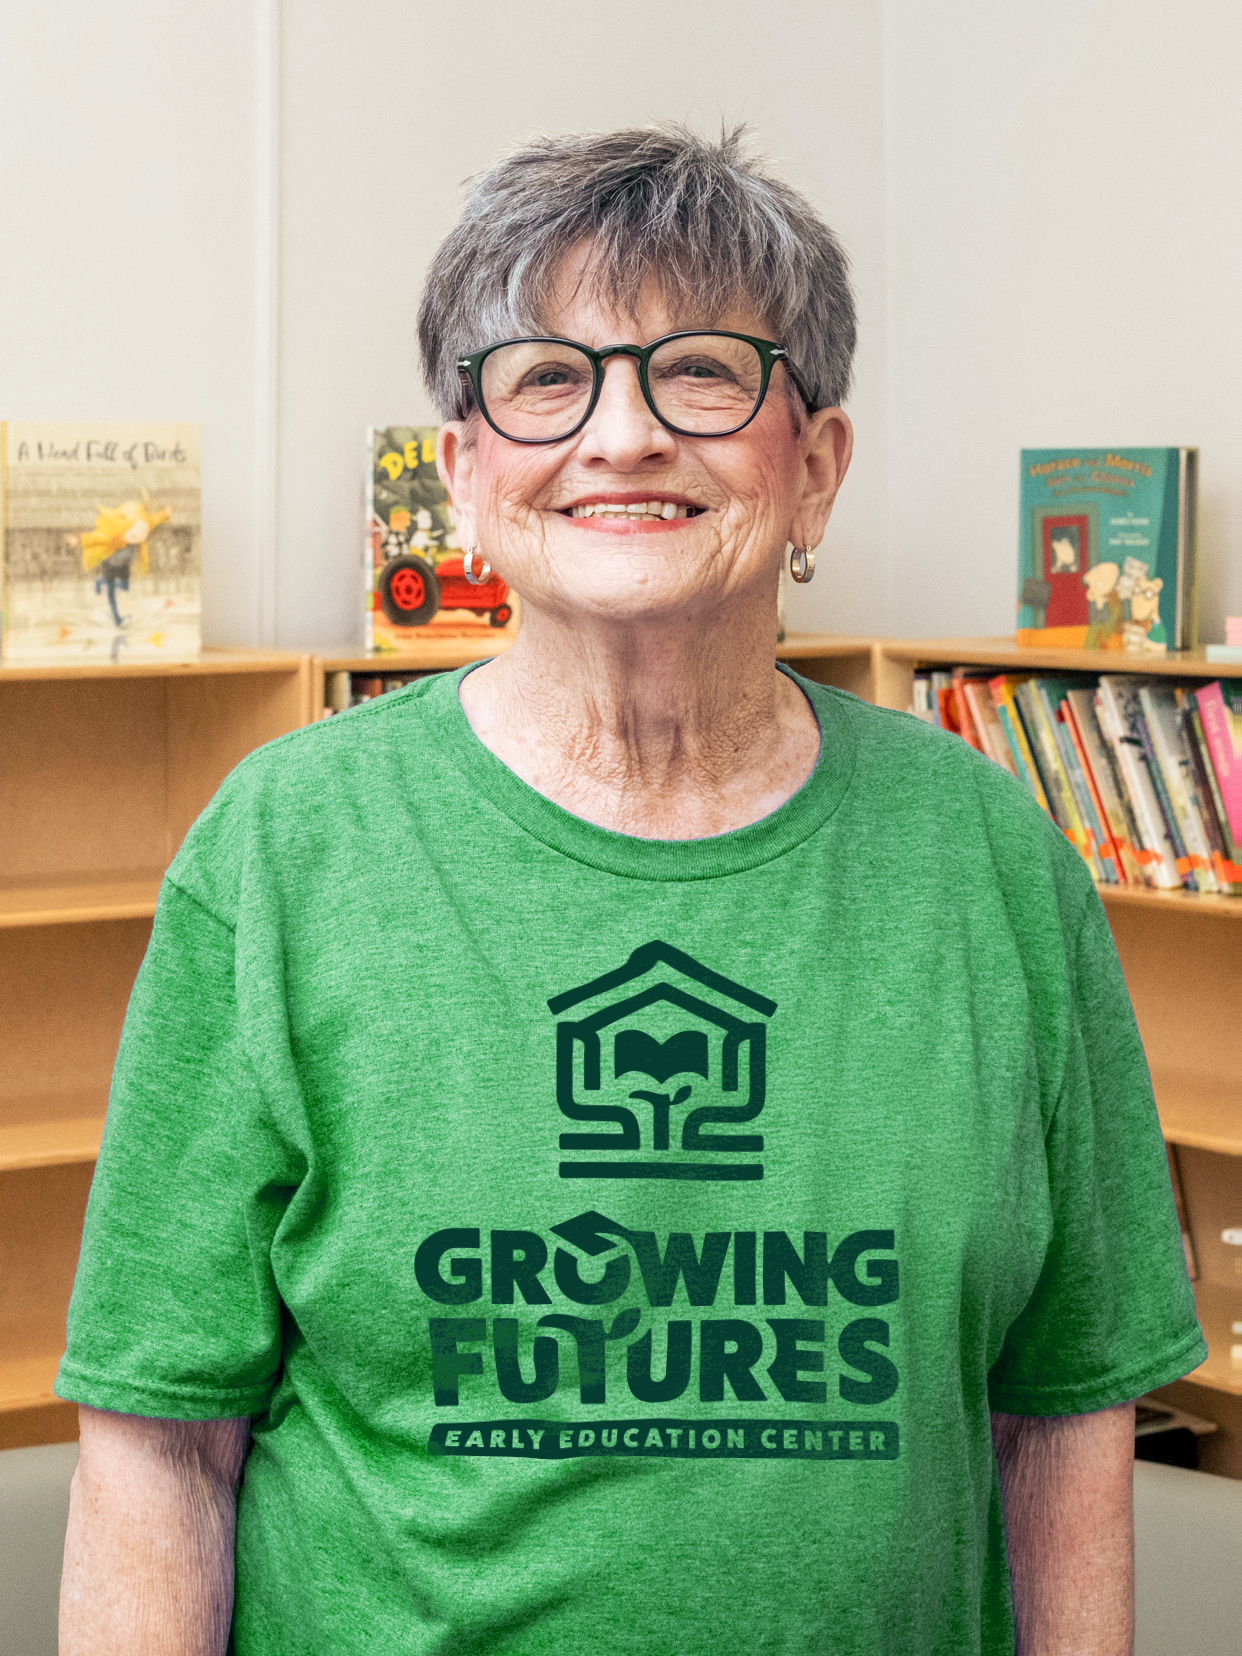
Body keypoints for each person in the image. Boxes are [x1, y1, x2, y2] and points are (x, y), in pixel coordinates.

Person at [57, 125, 1204, 1656]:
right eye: (545, 377)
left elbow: (1063, 1411)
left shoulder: (991, 860)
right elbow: (158, 1439)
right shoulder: (282, 849)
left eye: (706, 372)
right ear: (462, 479)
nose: (623, 436)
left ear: (815, 468)